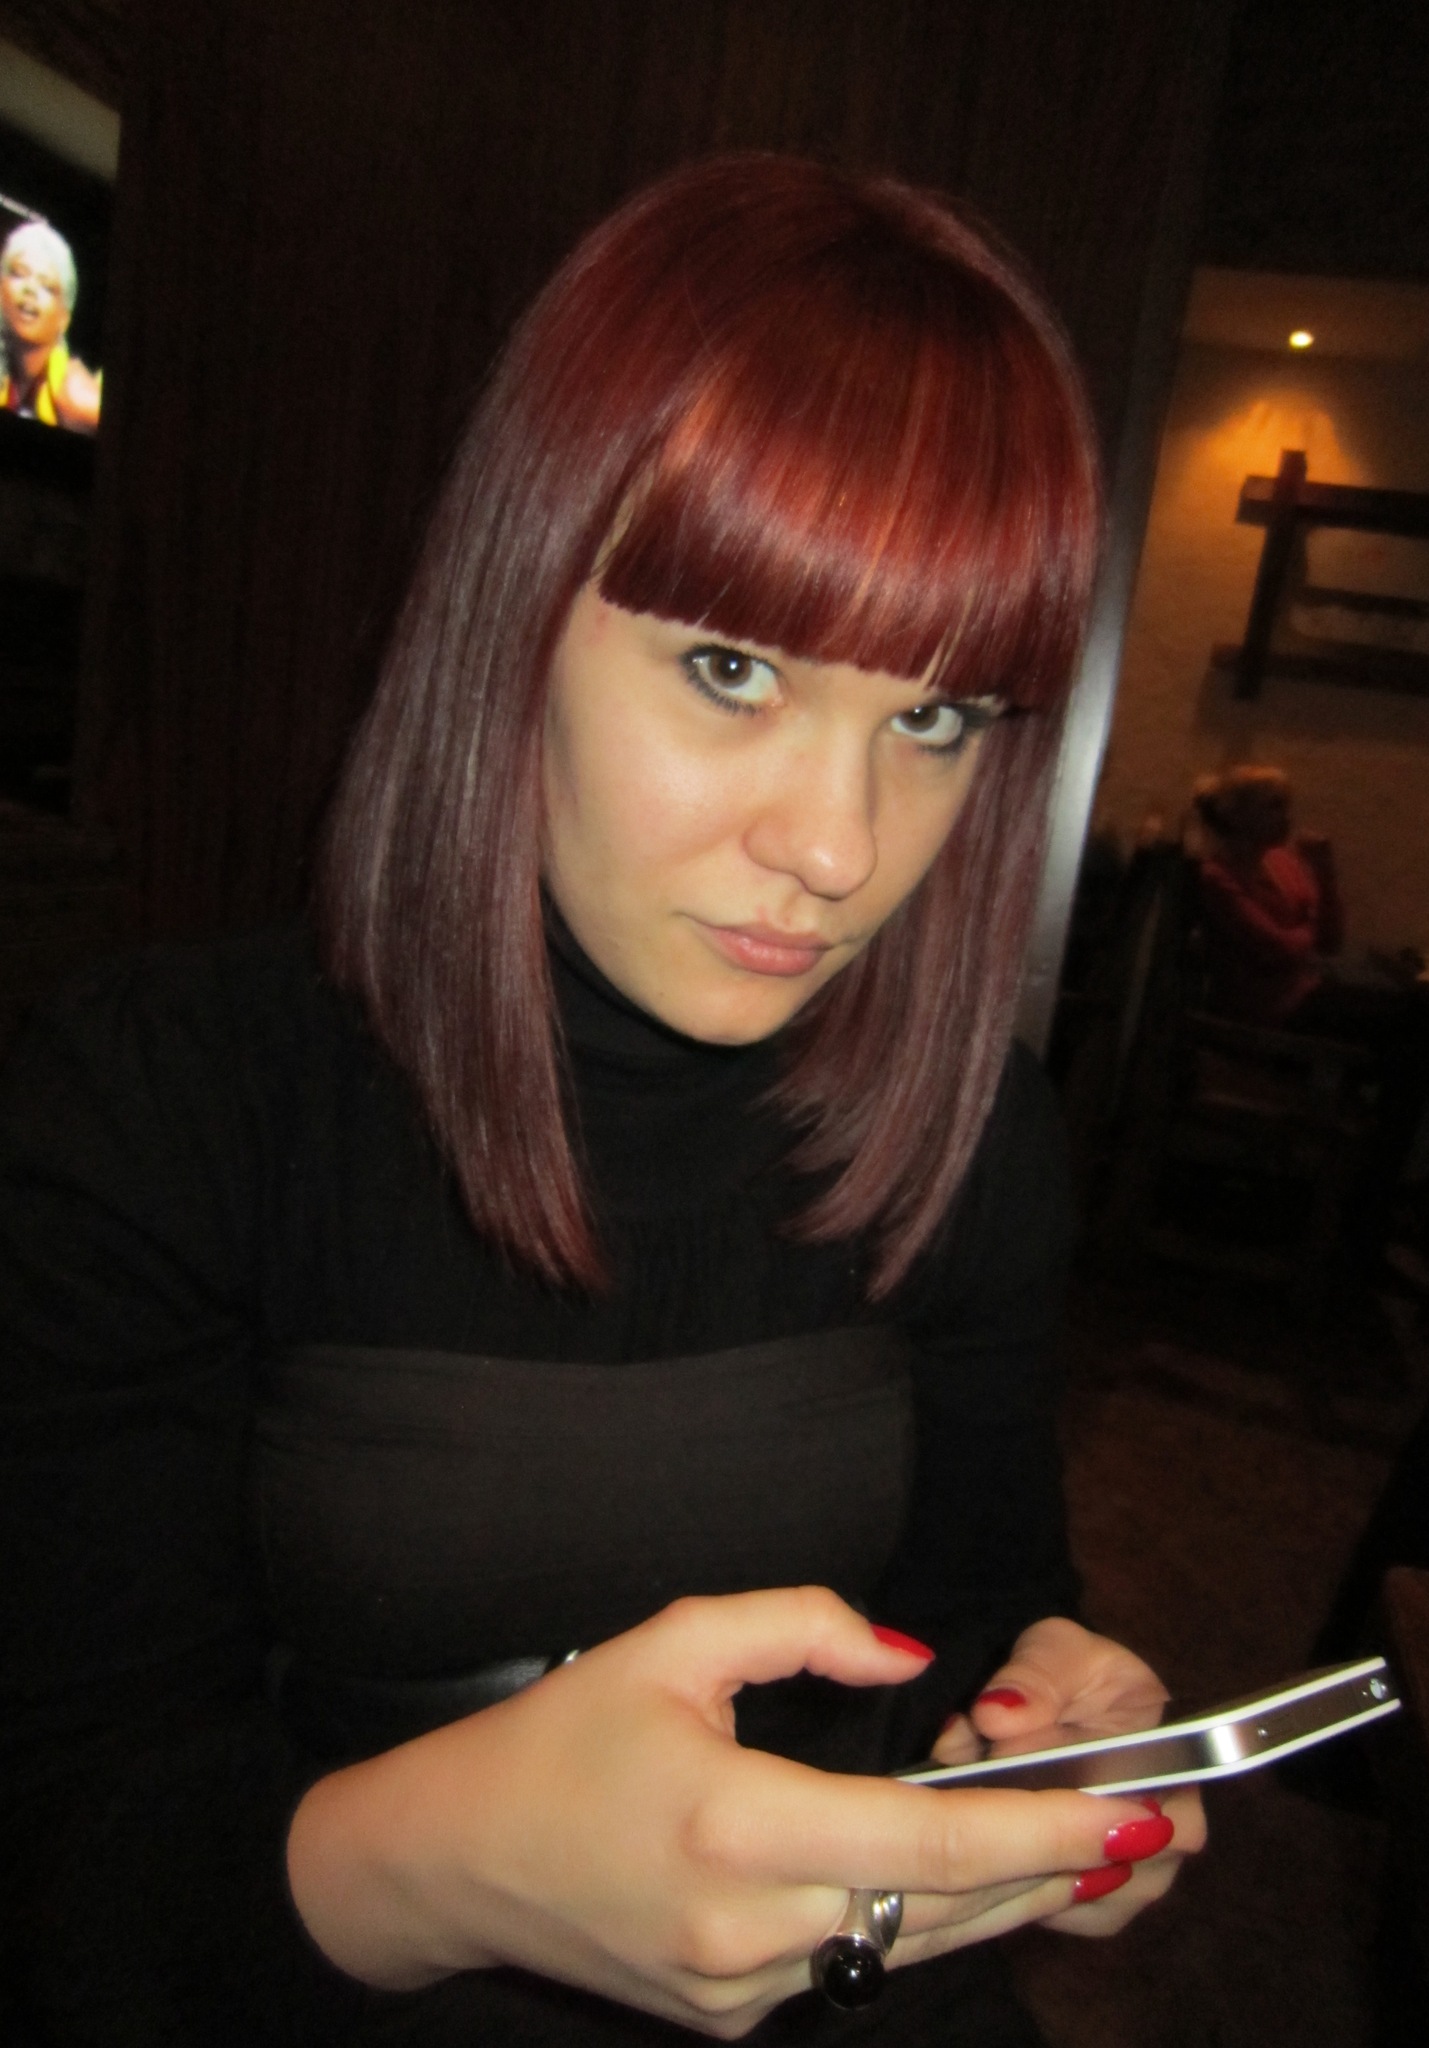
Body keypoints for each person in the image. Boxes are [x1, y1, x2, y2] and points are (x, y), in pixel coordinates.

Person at [0, 156, 1202, 2046]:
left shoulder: (980, 1135)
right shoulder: (164, 1106)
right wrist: (439, 1866)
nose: (837, 846)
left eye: (934, 718)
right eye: (731, 669)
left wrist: (1037, 1723)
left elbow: (980, 1608)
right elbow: (61, 1862)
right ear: (513, 613)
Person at [1192, 764, 1344, 1030]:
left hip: (1305, 994)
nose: (1287, 818)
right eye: (1275, 806)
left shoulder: (1283, 862)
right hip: (1263, 1011)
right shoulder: (1217, 877)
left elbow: (1330, 942)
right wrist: (1310, 926)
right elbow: (1278, 949)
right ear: (1237, 816)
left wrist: (1325, 875)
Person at [0, 219, 102, 434]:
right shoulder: (9, 381)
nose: (30, 289)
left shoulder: (75, 397)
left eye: (46, 286)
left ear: (64, 318)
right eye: (20, 273)